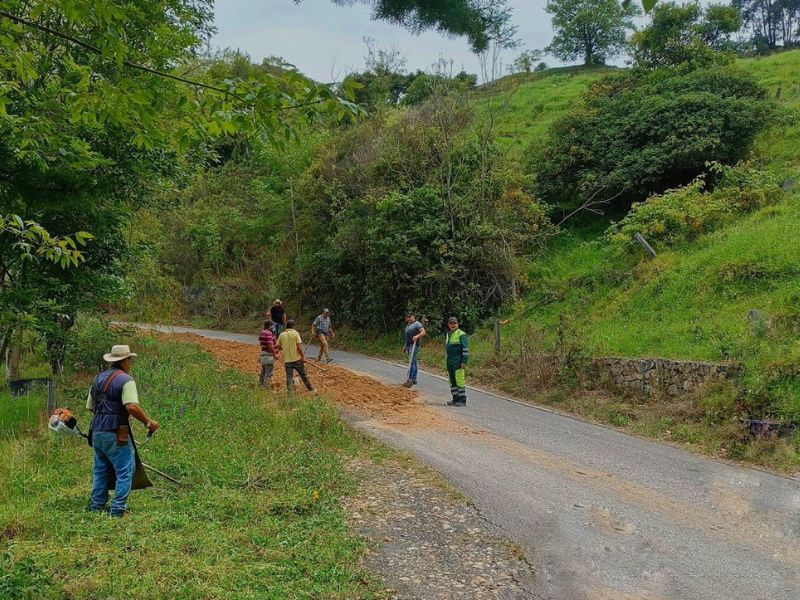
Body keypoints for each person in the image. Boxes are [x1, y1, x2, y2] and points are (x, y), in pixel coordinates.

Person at [86, 345, 159, 517]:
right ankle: (118, 509)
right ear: (125, 361)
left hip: (96, 431)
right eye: (129, 360)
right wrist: (148, 422)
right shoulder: (126, 380)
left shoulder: (97, 379)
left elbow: (90, 407)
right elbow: (131, 406)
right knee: (125, 470)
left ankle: (96, 506)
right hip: (116, 432)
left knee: (100, 469)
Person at [277, 319, 314, 393]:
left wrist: (284, 349)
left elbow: (277, 346)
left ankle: (289, 394)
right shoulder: (295, 333)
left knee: (289, 377)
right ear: (293, 326)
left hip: (287, 360)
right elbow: (299, 347)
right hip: (297, 359)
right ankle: (311, 390)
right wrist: (303, 357)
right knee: (303, 375)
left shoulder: (282, 334)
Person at [445, 317, 469, 406]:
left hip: (458, 360)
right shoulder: (448, 334)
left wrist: (464, 361)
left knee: (459, 379)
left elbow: (465, 349)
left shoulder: (461, 334)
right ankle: (455, 398)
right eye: (451, 323)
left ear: (457, 324)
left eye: (454, 323)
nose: (453, 325)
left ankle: (462, 400)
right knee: (451, 380)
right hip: (450, 360)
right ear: (448, 325)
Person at [402, 313, 426, 388]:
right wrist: (405, 346)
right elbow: (407, 336)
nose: (408, 318)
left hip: (414, 344)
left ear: (413, 317)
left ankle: (410, 380)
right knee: (414, 362)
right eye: (407, 317)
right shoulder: (408, 325)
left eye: (410, 317)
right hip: (409, 344)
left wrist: (417, 336)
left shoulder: (417, 324)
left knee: (411, 361)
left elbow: (423, 332)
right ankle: (414, 378)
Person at [258, 319, 280, 387]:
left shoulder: (262, 332)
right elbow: (270, 346)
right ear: (270, 326)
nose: (273, 327)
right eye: (273, 326)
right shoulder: (269, 334)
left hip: (263, 353)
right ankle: (265, 389)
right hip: (269, 355)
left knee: (264, 371)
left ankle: (260, 385)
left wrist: (276, 346)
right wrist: (275, 355)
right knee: (268, 373)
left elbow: (266, 345)